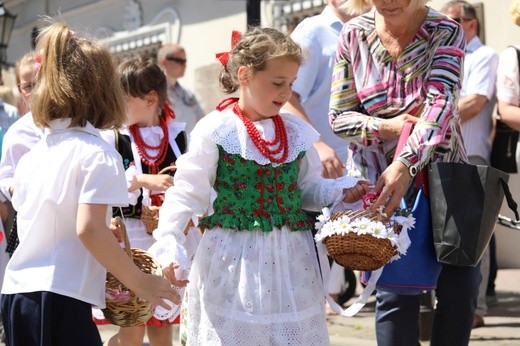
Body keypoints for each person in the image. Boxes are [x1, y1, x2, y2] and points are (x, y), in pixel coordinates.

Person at [149, 27, 371, 345]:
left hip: (292, 262)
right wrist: (170, 243)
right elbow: (188, 191)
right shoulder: (218, 128)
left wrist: (336, 190)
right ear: (244, 75)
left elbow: (305, 190)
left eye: (291, 84)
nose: (285, 93)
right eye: (278, 83)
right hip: (233, 260)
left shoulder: (296, 131)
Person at [0, 21, 181, 346]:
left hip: (16, 295)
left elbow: (46, 223)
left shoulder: (34, 153)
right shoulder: (97, 153)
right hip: (60, 297)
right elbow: (88, 229)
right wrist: (140, 282)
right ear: (104, 89)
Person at [329, 1, 480, 345]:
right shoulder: (353, 34)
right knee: (395, 293)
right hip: (380, 181)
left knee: (461, 284)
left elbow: (441, 105)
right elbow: (339, 117)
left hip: (446, 177)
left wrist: (406, 162)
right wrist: (386, 128)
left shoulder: (446, 30)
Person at [100, 56, 193, 346]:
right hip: (133, 242)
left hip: (167, 239)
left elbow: (193, 181)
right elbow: (107, 184)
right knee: (133, 326)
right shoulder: (115, 138)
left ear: (151, 98)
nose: (116, 106)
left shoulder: (177, 136)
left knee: (162, 324)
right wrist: (141, 180)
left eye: (123, 98)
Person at [441, 0, 499, 330]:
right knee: (446, 234)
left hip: (471, 153)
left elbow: (475, 102)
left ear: (471, 24)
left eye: (452, 21)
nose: (444, 27)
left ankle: (474, 308)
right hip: (440, 153)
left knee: (472, 236)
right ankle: (451, 305)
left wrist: (430, 122)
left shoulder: (484, 56)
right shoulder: (443, 55)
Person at [157, 43, 205, 135]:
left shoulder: (188, 94)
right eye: (179, 61)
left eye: (185, 61)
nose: (184, 65)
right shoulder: (156, 95)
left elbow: (202, 121)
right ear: (164, 62)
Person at [14, 52, 36, 116]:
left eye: (39, 84)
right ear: (20, 90)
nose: (35, 91)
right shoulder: (19, 125)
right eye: (28, 86)